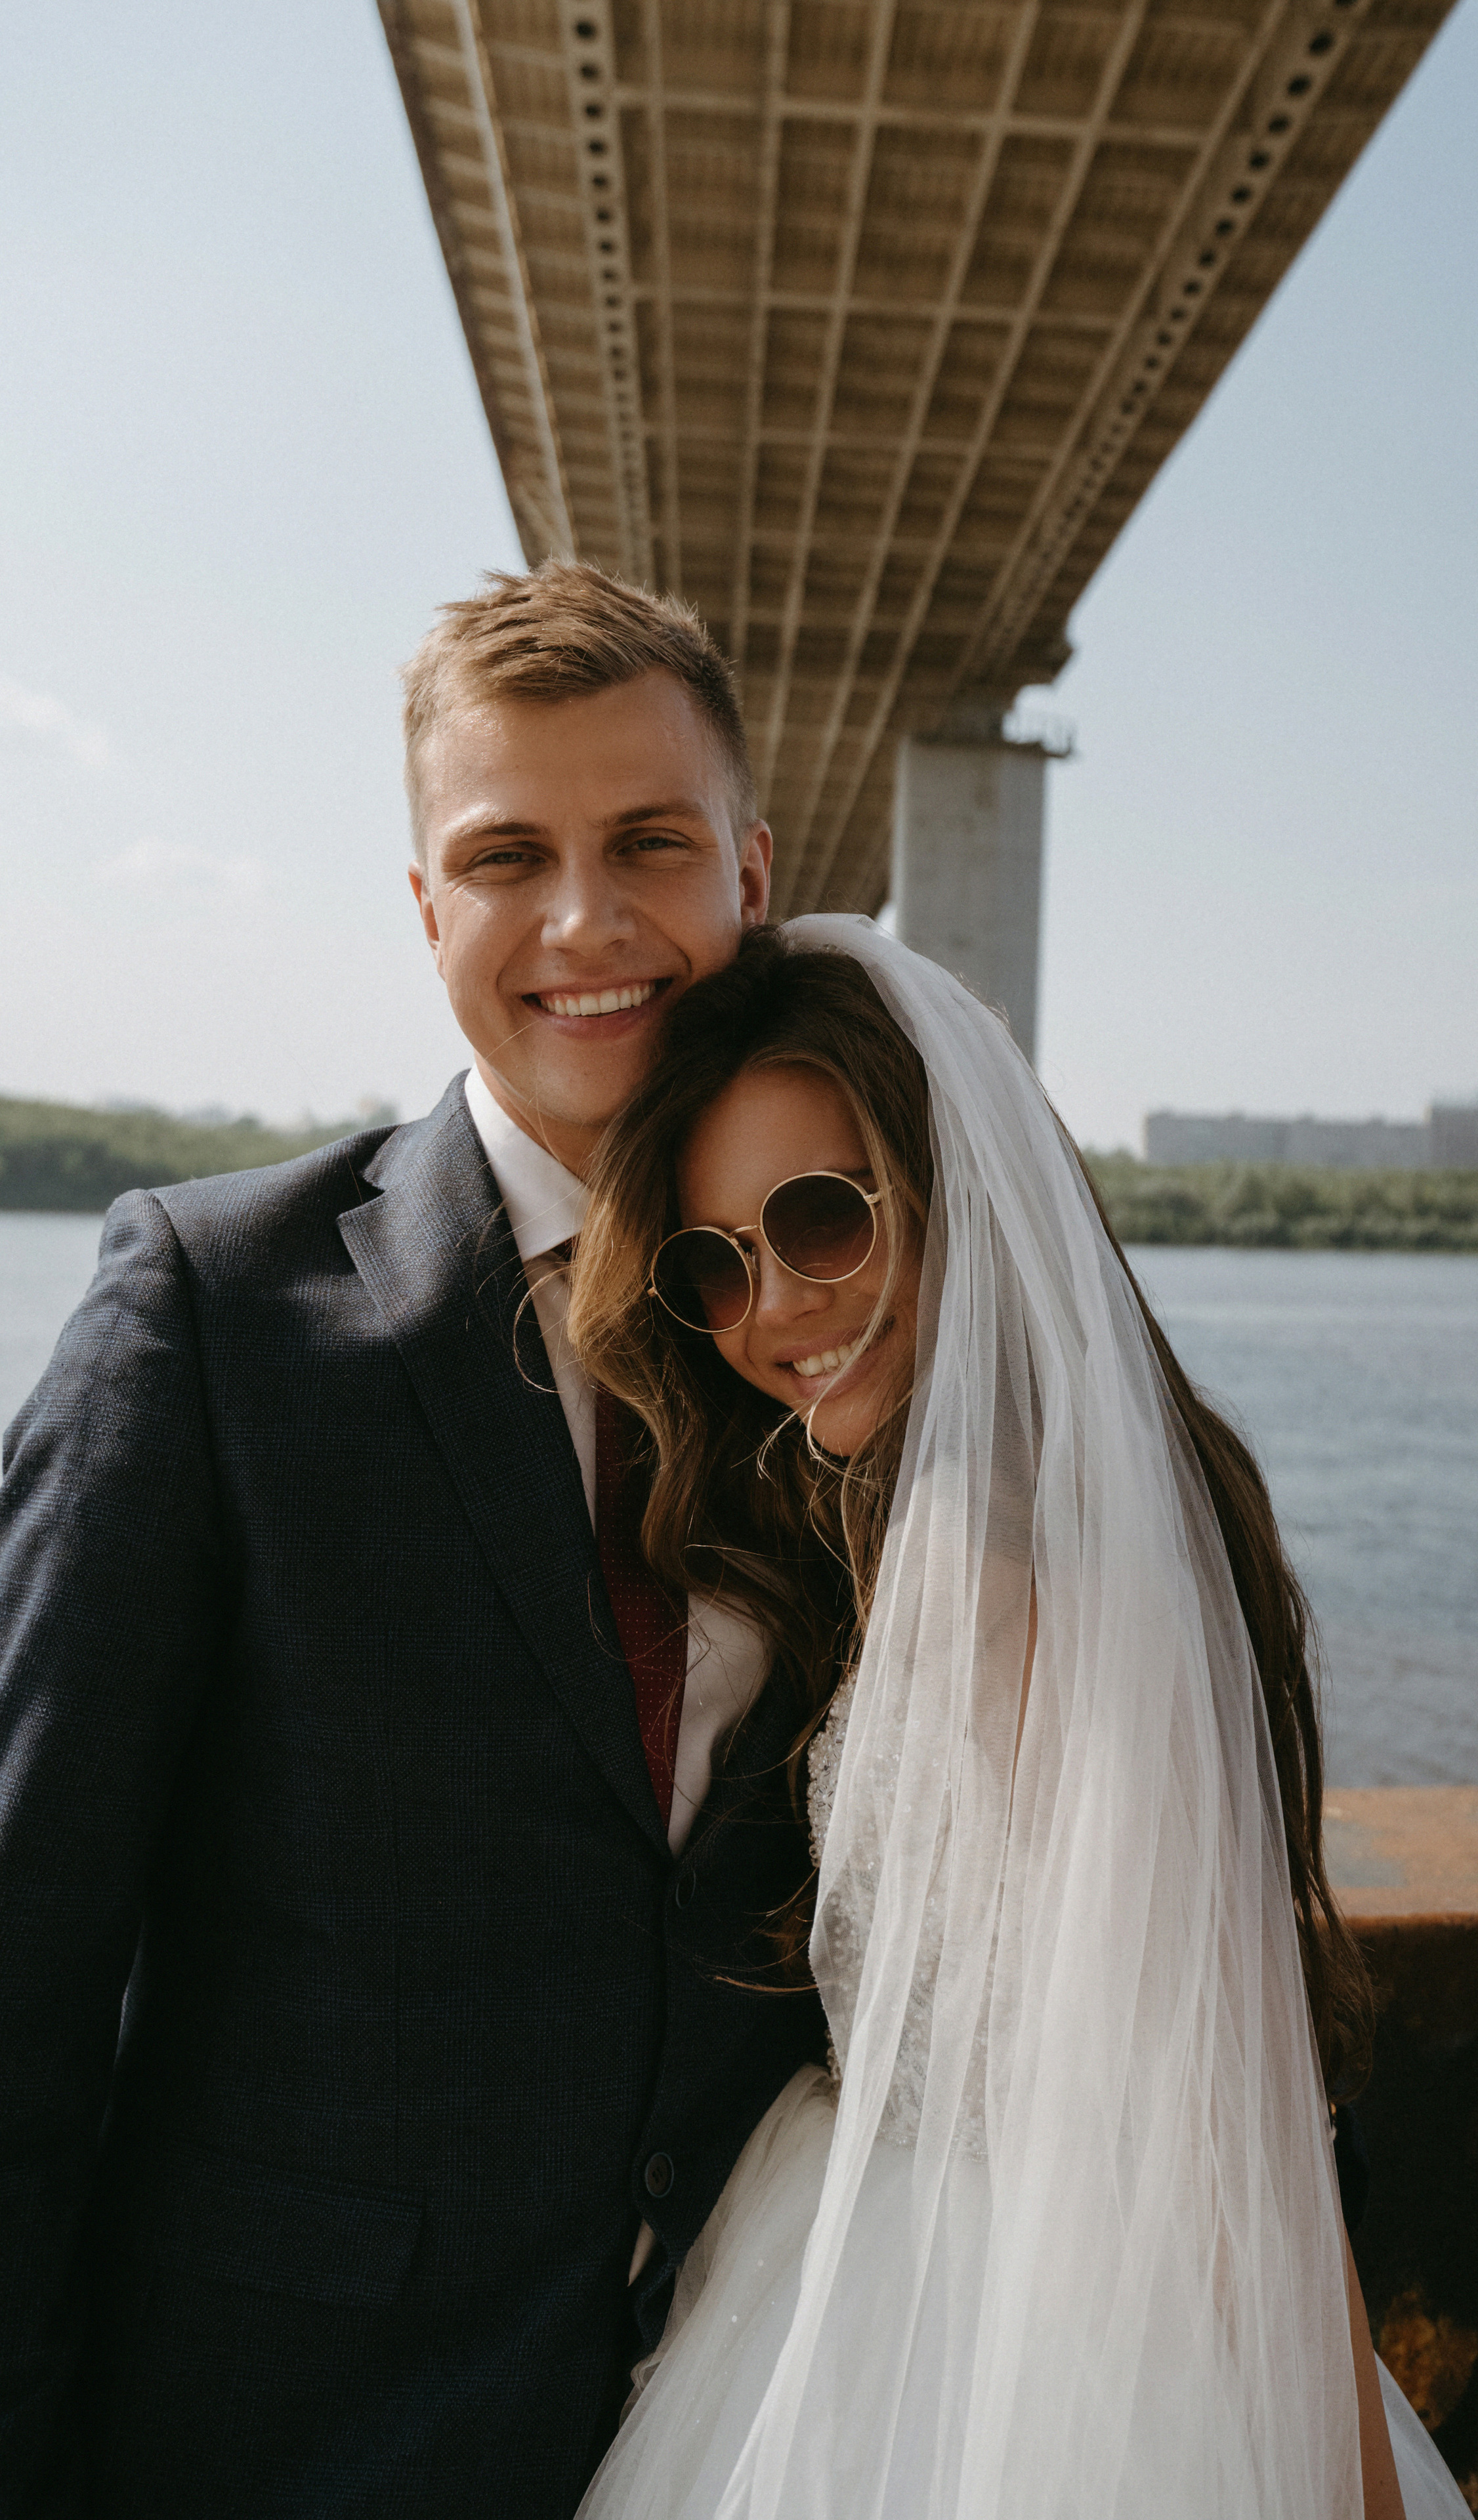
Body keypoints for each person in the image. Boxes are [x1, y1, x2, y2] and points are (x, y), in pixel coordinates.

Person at [0, 564, 828, 2515]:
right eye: (506, 854)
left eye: (648, 843)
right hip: (283, 2441)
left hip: (756, 2425)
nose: (584, 921)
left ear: (748, 872)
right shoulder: (208, 1310)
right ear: (425, 905)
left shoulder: (852, 1320)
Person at [565, 919, 1475, 2518]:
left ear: (952, 1194)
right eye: (718, 1260)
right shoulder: (946, 1518)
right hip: (879, 2268)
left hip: (1000, 2342)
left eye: (822, 1220)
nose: (774, 1305)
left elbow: (1219, 2111)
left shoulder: (1006, 1565)